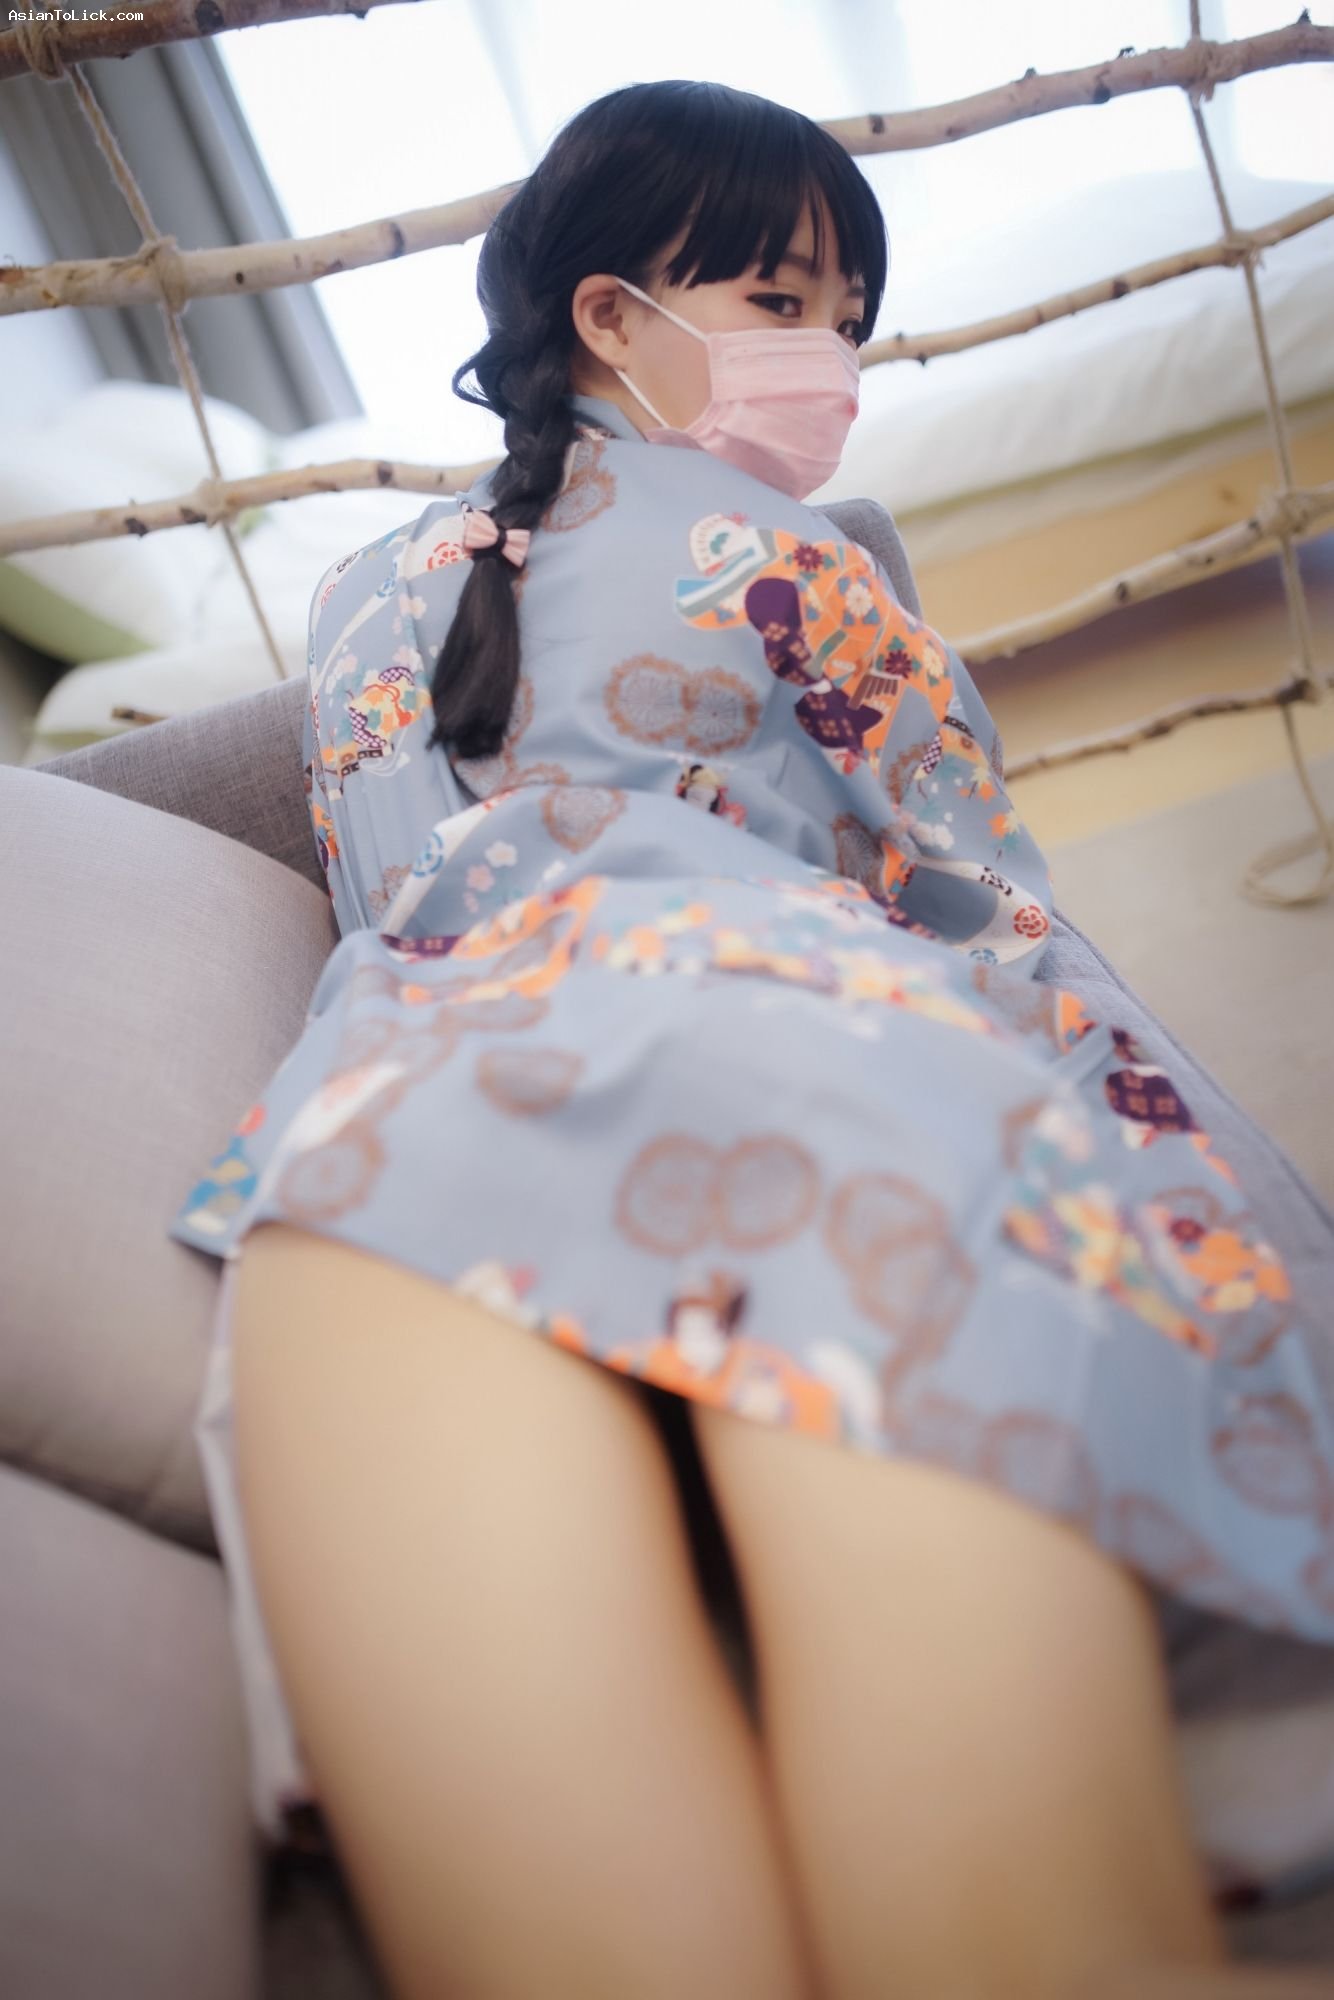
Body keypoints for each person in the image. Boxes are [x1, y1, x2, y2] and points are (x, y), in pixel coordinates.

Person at [168, 79, 1334, 2000]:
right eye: (784, 304)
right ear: (608, 314)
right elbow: (989, 914)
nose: (833, 365)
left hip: (408, 1081)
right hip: (788, 1016)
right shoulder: (795, 564)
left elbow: (386, 897)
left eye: (847, 324)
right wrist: (1197, 1203)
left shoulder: (357, 601)